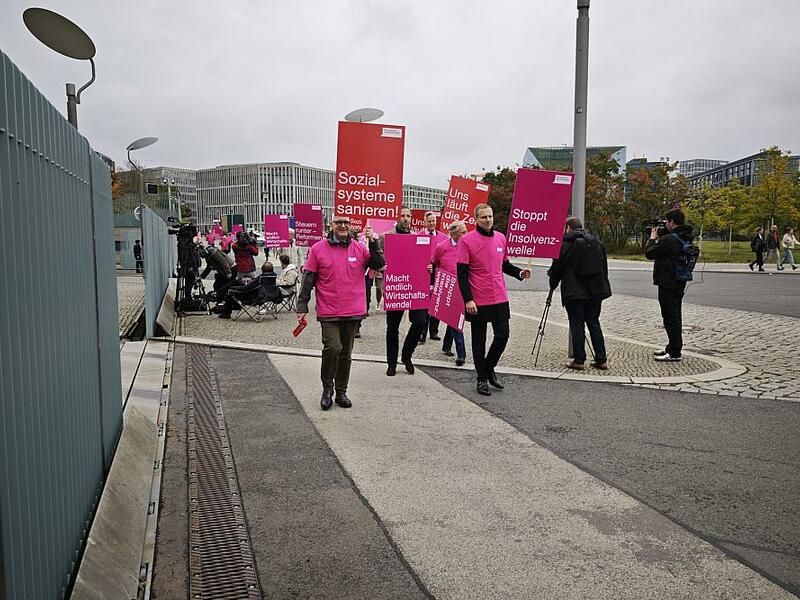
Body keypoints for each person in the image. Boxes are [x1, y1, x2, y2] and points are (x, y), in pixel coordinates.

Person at [297, 216, 384, 410]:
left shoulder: (360, 248)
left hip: (353, 309)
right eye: (339, 222)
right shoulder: (318, 249)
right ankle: (327, 388)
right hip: (329, 310)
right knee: (333, 348)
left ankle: (341, 391)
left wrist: (374, 241)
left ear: (350, 226)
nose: (343, 225)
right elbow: (308, 278)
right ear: (332, 225)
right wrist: (302, 305)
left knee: (346, 353)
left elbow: (378, 264)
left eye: (346, 222)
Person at [457, 204, 531, 396]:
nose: (488, 220)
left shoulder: (500, 237)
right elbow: (462, 274)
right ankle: (481, 378)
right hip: (477, 299)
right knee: (479, 340)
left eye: (490, 216)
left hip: (499, 295)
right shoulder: (466, 240)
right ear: (476, 219)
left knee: (503, 335)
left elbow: (505, 264)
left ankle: (489, 367)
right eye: (483, 217)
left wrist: (520, 273)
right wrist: (468, 299)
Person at [548, 217, 612, 370]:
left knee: (577, 324)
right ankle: (601, 359)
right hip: (596, 291)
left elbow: (557, 269)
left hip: (574, 292)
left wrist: (552, 285)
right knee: (594, 323)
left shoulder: (564, 244)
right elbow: (604, 266)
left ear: (568, 227)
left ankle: (578, 360)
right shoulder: (597, 242)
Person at [384, 207, 429, 376]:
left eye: (408, 216)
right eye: (402, 215)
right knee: (392, 328)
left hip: (414, 287)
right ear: (398, 217)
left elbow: (426, 259)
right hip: (397, 287)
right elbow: (376, 257)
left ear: (411, 219)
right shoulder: (387, 237)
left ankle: (407, 355)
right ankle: (391, 363)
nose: (405, 218)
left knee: (420, 321)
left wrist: (430, 266)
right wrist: (382, 265)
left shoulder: (418, 238)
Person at [644, 208, 694, 362]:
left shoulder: (670, 240)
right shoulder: (684, 236)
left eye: (667, 221)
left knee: (670, 317)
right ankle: (672, 346)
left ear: (672, 222)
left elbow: (650, 253)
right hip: (679, 280)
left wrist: (652, 238)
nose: (665, 224)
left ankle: (674, 352)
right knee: (674, 315)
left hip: (668, 281)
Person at [429, 220, 468, 366]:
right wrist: (433, 284)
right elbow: (434, 264)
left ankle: (448, 346)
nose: (466, 234)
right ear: (453, 233)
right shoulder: (441, 247)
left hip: (462, 287)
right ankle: (461, 353)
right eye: (462, 232)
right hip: (446, 285)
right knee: (454, 320)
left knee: (455, 319)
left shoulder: (467, 246)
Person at [419, 211, 449, 344]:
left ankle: (434, 331)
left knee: (437, 303)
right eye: (429, 221)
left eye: (433, 221)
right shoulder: (419, 236)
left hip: (438, 273)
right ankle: (422, 332)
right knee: (424, 304)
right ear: (424, 222)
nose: (431, 223)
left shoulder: (443, 237)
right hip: (424, 273)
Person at [200, 245, 238, 310]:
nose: (200, 256)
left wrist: (228, 272)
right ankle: (221, 302)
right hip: (225, 271)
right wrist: (201, 276)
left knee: (222, 286)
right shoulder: (208, 255)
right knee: (219, 286)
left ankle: (225, 303)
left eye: (199, 253)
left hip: (230, 269)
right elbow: (209, 267)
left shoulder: (213, 253)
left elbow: (223, 262)